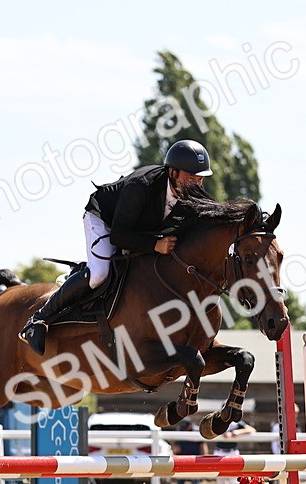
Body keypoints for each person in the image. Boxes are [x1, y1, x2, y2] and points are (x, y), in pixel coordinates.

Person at [18, 139, 215, 355]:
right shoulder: (142, 186)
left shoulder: (192, 195)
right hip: (106, 221)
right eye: (191, 178)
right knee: (100, 274)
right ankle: (38, 320)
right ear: (173, 172)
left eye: (200, 180)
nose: (196, 185)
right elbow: (119, 236)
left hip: (140, 229)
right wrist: (155, 245)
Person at [213, 419, 256, 484]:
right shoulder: (217, 421)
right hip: (219, 452)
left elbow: (252, 430)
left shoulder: (236, 423)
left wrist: (236, 433)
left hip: (232, 452)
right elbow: (209, 430)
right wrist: (221, 433)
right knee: (220, 479)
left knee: (234, 480)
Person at [173, 418, 207, 484]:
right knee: (180, 482)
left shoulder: (197, 432)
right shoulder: (179, 431)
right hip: (181, 459)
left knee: (195, 481)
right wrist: (175, 449)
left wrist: (204, 459)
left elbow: (203, 446)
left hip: (195, 460)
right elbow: (174, 444)